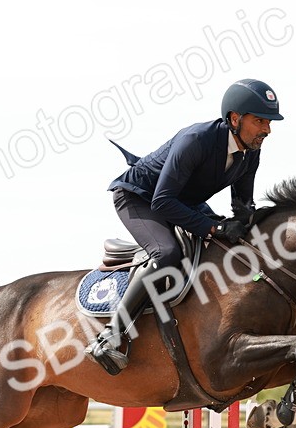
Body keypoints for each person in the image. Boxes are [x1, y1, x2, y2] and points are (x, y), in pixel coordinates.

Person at [85, 78, 283, 375]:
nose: (267, 130)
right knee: (167, 253)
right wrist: (214, 229)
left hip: (181, 201)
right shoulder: (196, 140)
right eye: (259, 121)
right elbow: (162, 203)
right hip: (139, 198)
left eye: (268, 122)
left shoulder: (250, 151)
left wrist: (249, 223)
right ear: (234, 119)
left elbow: (242, 204)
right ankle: (111, 334)